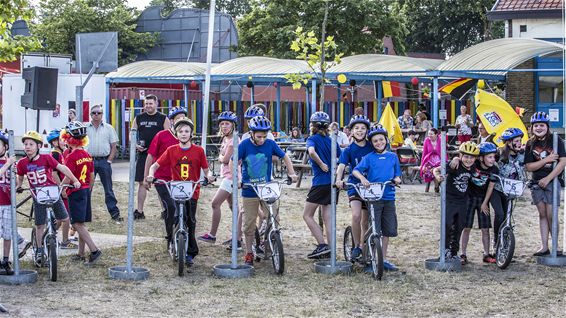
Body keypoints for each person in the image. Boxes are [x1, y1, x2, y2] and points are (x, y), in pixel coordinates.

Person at [147, 117, 214, 267]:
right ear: (176, 134)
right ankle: (172, 239)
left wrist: (209, 177)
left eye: (187, 131)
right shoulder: (171, 150)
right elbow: (155, 166)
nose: (183, 134)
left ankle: (190, 252)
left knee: (191, 221)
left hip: (192, 191)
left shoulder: (199, 151)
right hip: (176, 190)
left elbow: (206, 170)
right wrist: (151, 175)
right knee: (175, 216)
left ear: (191, 133)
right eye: (180, 131)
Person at [233, 115, 298, 265]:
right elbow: (233, 162)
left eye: (264, 136)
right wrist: (237, 179)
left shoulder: (270, 144)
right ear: (251, 133)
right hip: (249, 189)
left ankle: (269, 246)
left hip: (267, 187)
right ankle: (249, 252)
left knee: (273, 217)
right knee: (249, 223)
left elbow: (285, 157)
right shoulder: (244, 145)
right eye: (259, 136)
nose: (262, 139)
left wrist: (292, 172)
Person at [16, 131, 81, 266]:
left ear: (38, 146)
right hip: (37, 195)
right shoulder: (22, 163)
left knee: (64, 218)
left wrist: (74, 180)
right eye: (26, 144)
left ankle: (51, 234)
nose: (28, 147)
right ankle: (39, 250)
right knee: (40, 225)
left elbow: (62, 167)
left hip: (51, 192)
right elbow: (20, 177)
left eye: (31, 144)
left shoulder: (46, 158)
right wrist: (19, 186)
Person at [352, 124, 402, 271]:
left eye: (381, 139)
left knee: (387, 231)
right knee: (375, 230)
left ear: (386, 140)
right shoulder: (369, 158)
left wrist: (397, 179)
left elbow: (397, 173)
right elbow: (356, 170)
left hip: (389, 196)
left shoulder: (392, 156)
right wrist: (362, 178)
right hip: (374, 197)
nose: (379, 143)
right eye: (375, 141)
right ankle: (369, 258)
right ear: (372, 143)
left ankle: (382, 259)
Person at [144, 107, 186, 253]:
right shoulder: (161, 135)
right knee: (171, 206)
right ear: (172, 121)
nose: (181, 121)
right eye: (178, 118)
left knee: (183, 210)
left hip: (180, 180)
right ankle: (170, 238)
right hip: (162, 179)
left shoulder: (186, 136)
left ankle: (181, 237)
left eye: (183, 118)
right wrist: (146, 177)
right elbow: (150, 156)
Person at [525, 112, 566, 256]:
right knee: (542, 214)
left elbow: (563, 161)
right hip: (536, 182)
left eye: (542, 125)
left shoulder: (556, 140)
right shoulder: (530, 144)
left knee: (551, 214)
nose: (539, 128)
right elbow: (529, 166)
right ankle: (544, 246)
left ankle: (556, 245)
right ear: (532, 127)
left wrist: (548, 179)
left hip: (552, 181)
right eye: (536, 125)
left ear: (547, 127)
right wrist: (546, 160)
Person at [60, 122, 102, 265]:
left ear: (69, 139)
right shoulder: (87, 155)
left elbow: (68, 175)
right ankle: (80, 253)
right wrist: (88, 189)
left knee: (77, 224)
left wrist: (62, 187)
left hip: (75, 191)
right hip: (85, 190)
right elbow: (91, 176)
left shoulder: (71, 157)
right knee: (82, 223)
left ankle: (94, 250)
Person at [303, 112, 341, 259]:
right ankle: (331, 249)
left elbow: (311, 152)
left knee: (307, 215)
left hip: (320, 182)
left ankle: (322, 245)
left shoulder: (312, 139)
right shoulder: (331, 140)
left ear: (312, 126)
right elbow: (340, 155)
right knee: (328, 217)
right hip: (333, 182)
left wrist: (321, 163)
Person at [335, 115, 373, 262]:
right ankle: (356, 246)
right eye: (356, 128)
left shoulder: (372, 146)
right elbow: (342, 166)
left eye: (363, 128)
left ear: (367, 131)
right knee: (356, 216)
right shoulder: (349, 149)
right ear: (351, 131)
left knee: (366, 221)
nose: (360, 130)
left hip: (370, 187)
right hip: (354, 186)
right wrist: (339, 179)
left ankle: (364, 247)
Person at [199, 111, 239, 244]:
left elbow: (225, 159)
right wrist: (221, 158)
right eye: (222, 124)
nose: (224, 126)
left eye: (227, 123)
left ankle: (212, 235)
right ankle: (238, 237)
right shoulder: (226, 139)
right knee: (234, 208)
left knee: (215, 204)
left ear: (233, 125)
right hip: (227, 176)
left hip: (230, 177)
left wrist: (220, 158)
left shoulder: (234, 140)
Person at [433, 141, 478, 260]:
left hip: (463, 201)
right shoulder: (454, 165)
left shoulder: (474, 166)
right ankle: (445, 249)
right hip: (450, 199)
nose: (469, 160)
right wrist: (438, 178)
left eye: (471, 157)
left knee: (459, 227)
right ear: (461, 155)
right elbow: (436, 170)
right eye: (466, 156)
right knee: (447, 224)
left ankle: (454, 252)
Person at [456, 142, 499, 264]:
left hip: (483, 199)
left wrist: (485, 203)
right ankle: (463, 253)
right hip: (469, 198)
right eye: (490, 157)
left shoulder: (494, 169)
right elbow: (461, 160)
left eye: (494, 157)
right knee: (466, 227)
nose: (492, 159)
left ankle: (486, 254)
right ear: (481, 157)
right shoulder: (473, 164)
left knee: (485, 228)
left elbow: (490, 187)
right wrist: (455, 158)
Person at [132, 94, 170, 220]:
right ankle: (139, 211)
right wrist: (136, 145)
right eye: (146, 103)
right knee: (142, 183)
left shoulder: (163, 118)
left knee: (161, 183)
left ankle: (166, 210)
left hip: (159, 156)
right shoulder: (139, 118)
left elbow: (168, 137)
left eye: (150, 103)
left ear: (156, 104)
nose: (148, 106)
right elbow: (132, 134)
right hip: (143, 154)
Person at [85, 105, 122, 223]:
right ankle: (85, 215)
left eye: (99, 113)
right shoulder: (85, 128)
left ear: (102, 115)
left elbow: (113, 146)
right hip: (88, 161)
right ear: (90, 114)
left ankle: (114, 213)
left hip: (103, 161)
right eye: (94, 113)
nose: (96, 115)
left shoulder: (108, 128)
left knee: (108, 189)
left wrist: (109, 160)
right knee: (86, 188)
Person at [491, 128, 526, 246]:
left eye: (520, 140)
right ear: (508, 142)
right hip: (496, 189)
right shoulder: (499, 153)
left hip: (510, 190)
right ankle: (496, 241)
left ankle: (505, 244)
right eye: (516, 141)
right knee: (500, 214)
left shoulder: (522, 155)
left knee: (507, 217)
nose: (519, 143)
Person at [0, 134, 17, 275]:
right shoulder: (7, 163)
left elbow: (16, 184)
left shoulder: (10, 163)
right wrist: (7, 164)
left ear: (5, 147)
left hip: (7, 204)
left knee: (7, 234)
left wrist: (15, 174)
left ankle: (5, 260)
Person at [419, 128, 442, 192]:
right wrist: (422, 164)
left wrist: (444, 161)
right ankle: (437, 185)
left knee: (437, 168)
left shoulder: (440, 140)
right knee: (428, 169)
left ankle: (437, 185)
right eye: (429, 134)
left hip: (439, 159)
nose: (429, 136)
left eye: (431, 134)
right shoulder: (426, 140)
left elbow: (443, 152)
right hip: (429, 159)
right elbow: (424, 153)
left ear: (436, 134)